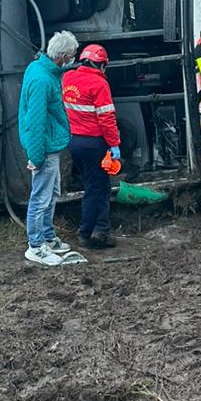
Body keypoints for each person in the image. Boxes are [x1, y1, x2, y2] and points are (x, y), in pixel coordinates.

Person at [18, 30, 79, 265]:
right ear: (63, 57)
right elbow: (35, 121)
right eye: (72, 55)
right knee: (41, 197)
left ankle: (47, 236)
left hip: (49, 144)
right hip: (45, 148)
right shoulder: (43, 80)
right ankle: (36, 245)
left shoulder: (42, 70)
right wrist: (36, 156)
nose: (74, 58)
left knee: (51, 194)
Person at [62, 43, 122, 250]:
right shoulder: (99, 84)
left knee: (93, 185)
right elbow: (106, 118)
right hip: (94, 143)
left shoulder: (68, 78)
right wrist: (114, 145)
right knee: (99, 188)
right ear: (101, 65)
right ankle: (92, 233)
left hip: (75, 142)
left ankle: (97, 228)